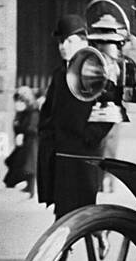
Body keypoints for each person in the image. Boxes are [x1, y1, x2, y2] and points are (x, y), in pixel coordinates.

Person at [37, 15, 118, 219]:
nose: (64, 46)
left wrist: (89, 137)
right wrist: (47, 132)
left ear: (84, 42)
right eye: (61, 42)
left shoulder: (96, 70)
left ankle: (90, 238)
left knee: (80, 210)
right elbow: (48, 110)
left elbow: (111, 107)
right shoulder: (58, 74)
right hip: (60, 152)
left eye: (70, 41)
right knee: (64, 210)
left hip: (82, 153)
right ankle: (91, 238)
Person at [4, 86, 40, 196]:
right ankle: (29, 187)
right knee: (17, 162)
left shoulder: (33, 112)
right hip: (25, 142)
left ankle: (31, 189)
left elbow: (32, 128)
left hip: (31, 142)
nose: (17, 104)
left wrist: (22, 134)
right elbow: (17, 125)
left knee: (29, 166)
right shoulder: (22, 113)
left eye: (20, 101)